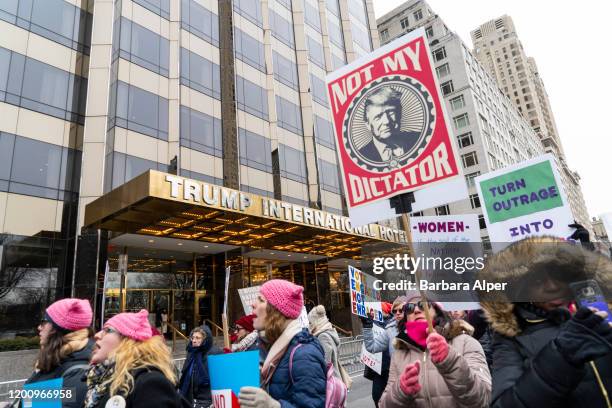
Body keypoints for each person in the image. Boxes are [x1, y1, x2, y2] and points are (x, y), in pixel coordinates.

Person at [477, 236, 612, 408]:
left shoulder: (603, 307)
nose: (552, 287)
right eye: (537, 281)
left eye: (559, 275)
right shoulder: (511, 337)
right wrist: (563, 355)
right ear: (521, 289)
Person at [379, 297, 491, 407]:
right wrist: (400, 392)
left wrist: (451, 363)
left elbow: (483, 400)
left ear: (438, 310)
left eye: (423, 305)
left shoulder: (466, 343)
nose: (416, 310)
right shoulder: (399, 353)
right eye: (409, 307)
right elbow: (383, 404)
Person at [238, 279, 327, 408]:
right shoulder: (264, 346)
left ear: (277, 312)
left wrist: (273, 405)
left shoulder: (304, 355)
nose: (253, 304)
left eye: (261, 300)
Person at [84, 309, 183, 408]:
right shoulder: (102, 378)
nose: (97, 335)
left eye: (107, 330)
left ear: (128, 341)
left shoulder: (149, 384)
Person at [22, 298, 94, 408]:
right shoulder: (57, 357)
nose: (39, 327)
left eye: (44, 322)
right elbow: (32, 400)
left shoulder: (77, 370)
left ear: (56, 327)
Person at [361, 296, 407, 407]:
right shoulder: (390, 329)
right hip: (389, 373)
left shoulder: (417, 326)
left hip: (411, 377)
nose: (398, 313)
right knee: (378, 398)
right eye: (395, 311)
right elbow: (372, 347)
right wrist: (367, 326)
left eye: (401, 310)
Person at [358, 87, 420, 163]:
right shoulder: (361, 157)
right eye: (378, 117)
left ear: (399, 113)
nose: (386, 121)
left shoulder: (417, 139)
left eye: (391, 112)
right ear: (367, 124)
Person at [178, 325, 222, 407]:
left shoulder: (215, 353)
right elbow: (186, 374)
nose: (194, 340)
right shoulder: (191, 352)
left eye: (198, 338)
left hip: (206, 399)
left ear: (205, 340)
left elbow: (219, 378)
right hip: (190, 398)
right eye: (193, 337)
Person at [307, 305, 349, 385]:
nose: (309, 325)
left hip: (331, 381)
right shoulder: (329, 332)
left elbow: (326, 363)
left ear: (316, 321)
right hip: (335, 378)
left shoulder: (322, 336)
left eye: (310, 322)